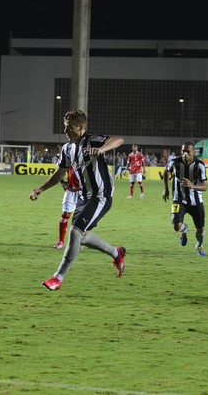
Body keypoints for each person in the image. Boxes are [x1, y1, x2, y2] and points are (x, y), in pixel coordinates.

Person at [30, 109, 126, 291]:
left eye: (69, 127)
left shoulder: (93, 140)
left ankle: (58, 277)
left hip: (101, 197)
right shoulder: (67, 149)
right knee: (81, 237)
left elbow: (119, 140)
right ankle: (116, 253)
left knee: (75, 232)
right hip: (83, 198)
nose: (65, 131)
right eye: (65, 127)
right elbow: (58, 175)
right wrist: (40, 189)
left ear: (81, 127)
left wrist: (102, 149)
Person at [162, 142, 208, 257]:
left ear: (193, 152)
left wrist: (192, 186)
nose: (185, 154)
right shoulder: (175, 163)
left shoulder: (200, 165)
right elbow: (166, 171)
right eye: (183, 151)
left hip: (196, 202)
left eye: (188, 151)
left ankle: (199, 245)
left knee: (200, 229)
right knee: (176, 226)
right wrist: (165, 188)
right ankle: (184, 230)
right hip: (178, 199)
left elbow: (205, 186)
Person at [53, 166, 80, 249]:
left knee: (81, 216)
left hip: (84, 192)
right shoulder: (69, 157)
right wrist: (62, 182)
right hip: (71, 191)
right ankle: (61, 241)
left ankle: (77, 242)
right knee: (65, 214)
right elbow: (58, 170)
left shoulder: (87, 158)